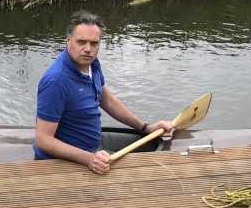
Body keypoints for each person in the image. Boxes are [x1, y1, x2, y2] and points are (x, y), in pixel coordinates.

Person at [33, 10, 175, 175]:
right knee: (143, 171)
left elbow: (108, 100)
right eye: (81, 42)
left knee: (152, 142)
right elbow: (43, 140)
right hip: (71, 159)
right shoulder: (56, 81)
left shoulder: (92, 63)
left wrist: (147, 127)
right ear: (68, 40)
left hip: (94, 141)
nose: (88, 49)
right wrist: (89, 159)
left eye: (94, 43)